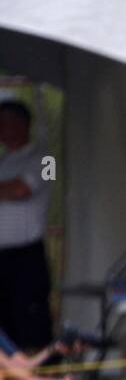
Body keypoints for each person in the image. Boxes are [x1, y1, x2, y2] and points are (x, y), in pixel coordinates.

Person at [0, 100, 55, 353]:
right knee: (5, 330)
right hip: (2, 257)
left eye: (6, 122)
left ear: (23, 124)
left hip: (26, 256)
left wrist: (10, 188)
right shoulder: (3, 162)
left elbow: (22, 189)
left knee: (32, 325)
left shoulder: (47, 160)